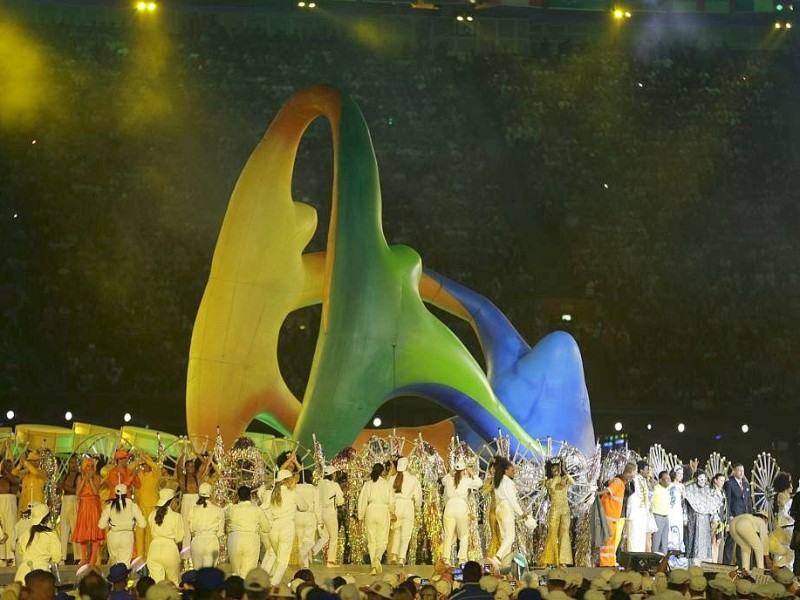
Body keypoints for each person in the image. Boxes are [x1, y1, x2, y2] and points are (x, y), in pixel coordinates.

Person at [266, 470, 307, 585]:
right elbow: (305, 506)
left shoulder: (273, 493)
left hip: (273, 528)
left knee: (277, 556)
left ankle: (270, 578)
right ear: (289, 480)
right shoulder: (292, 493)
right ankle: (273, 584)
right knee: (283, 561)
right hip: (287, 527)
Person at [441, 459, 482, 565]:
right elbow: (479, 483)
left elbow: (443, 480)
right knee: (463, 535)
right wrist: (471, 473)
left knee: (448, 534)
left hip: (449, 506)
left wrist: (450, 473)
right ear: (464, 470)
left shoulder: (449, 479)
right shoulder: (466, 480)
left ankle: (446, 559)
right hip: (461, 507)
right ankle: (462, 559)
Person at [358, 463, 395, 575]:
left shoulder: (368, 484)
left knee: (371, 540)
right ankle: (377, 558)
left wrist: (360, 515)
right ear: (382, 472)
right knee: (382, 539)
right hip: (382, 510)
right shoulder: (386, 484)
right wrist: (392, 512)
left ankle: (374, 567)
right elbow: (391, 500)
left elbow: (362, 500)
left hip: (370, 510)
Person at [226, 486, 271, 577]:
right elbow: (267, 528)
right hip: (251, 539)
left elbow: (225, 520)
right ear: (250, 496)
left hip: (234, 538)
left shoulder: (231, 509)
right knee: (248, 573)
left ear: (238, 496)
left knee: (236, 572)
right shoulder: (257, 510)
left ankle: (236, 590)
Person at [99, 483, 146, 566]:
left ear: (115, 494)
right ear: (126, 493)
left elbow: (101, 525)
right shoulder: (132, 506)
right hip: (127, 536)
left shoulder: (109, 506)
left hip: (113, 536)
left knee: (114, 564)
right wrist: (132, 523)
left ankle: (115, 577)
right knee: (125, 564)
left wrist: (111, 524)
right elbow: (142, 524)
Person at [599, 462, 636, 566]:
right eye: (634, 473)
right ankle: (605, 564)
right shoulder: (617, 482)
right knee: (607, 543)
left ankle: (610, 563)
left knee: (611, 543)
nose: (634, 476)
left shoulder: (622, 483)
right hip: (608, 517)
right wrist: (595, 494)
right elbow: (608, 491)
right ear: (630, 472)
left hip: (613, 518)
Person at [541, 458, 575, 566]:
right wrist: (557, 476)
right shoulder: (548, 481)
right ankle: (550, 560)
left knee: (564, 534)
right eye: (553, 469)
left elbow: (573, 482)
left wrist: (564, 471)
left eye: (557, 468)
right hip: (554, 511)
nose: (556, 470)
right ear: (550, 471)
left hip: (565, 510)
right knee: (552, 534)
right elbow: (551, 487)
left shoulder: (564, 479)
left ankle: (563, 561)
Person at [492, 456, 526, 565]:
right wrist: (521, 513)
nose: (514, 472)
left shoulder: (498, 481)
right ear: (506, 471)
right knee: (510, 537)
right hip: (506, 509)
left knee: (504, 538)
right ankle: (497, 558)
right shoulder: (508, 482)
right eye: (512, 470)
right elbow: (512, 500)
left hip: (499, 510)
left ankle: (504, 565)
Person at [683, 472, 722, 565]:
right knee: (693, 541)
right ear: (696, 479)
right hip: (693, 520)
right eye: (700, 479)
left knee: (705, 542)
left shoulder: (708, 490)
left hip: (705, 521)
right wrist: (684, 517)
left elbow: (713, 506)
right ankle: (693, 563)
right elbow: (684, 505)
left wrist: (714, 518)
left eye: (704, 479)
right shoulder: (689, 489)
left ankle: (705, 562)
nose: (702, 481)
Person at [389, 457, 422, 566]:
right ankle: (402, 558)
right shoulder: (413, 479)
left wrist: (391, 509)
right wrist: (418, 506)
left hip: (397, 505)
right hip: (408, 505)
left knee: (397, 531)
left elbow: (390, 495)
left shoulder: (393, 478)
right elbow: (418, 496)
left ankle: (393, 555)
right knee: (406, 534)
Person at [15, 504, 61, 582]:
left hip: (21, 575)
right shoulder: (51, 534)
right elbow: (57, 557)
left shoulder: (23, 535)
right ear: (47, 519)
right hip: (41, 576)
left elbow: (19, 557)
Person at [147, 488, 184, 584]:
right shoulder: (176, 516)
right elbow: (179, 537)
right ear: (171, 501)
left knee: (157, 585)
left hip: (154, 549)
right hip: (169, 549)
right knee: (173, 584)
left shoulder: (152, 515)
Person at [73, 456, 105, 565]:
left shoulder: (97, 477)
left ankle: (93, 558)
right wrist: (84, 480)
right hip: (84, 505)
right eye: (88, 466)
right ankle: (83, 557)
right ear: (83, 467)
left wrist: (90, 479)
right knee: (83, 531)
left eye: (92, 466)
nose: (90, 468)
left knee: (95, 532)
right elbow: (77, 493)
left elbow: (96, 491)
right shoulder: (80, 478)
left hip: (94, 505)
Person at [311, 465, 344, 567]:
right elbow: (340, 501)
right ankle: (330, 561)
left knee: (325, 536)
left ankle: (312, 551)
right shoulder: (334, 485)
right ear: (333, 475)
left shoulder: (320, 484)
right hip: (330, 512)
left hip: (320, 511)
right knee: (334, 537)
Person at [188, 482, 225, 568]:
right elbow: (220, 533)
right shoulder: (218, 510)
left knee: (198, 574)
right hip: (212, 541)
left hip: (197, 541)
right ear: (211, 494)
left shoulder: (193, 510)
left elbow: (191, 530)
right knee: (210, 574)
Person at [133, 452, 161, 560]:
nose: (145, 466)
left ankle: (151, 555)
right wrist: (138, 461)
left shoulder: (154, 475)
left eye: (146, 464)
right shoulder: (139, 474)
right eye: (144, 464)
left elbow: (157, 468)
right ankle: (140, 556)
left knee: (150, 531)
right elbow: (129, 471)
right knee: (139, 531)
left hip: (151, 505)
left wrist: (148, 459)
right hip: (140, 506)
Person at [723, 463, 753, 564]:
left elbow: (748, 501)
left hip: (744, 517)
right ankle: (726, 564)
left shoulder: (745, 484)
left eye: (743, 471)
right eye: (739, 470)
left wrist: (750, 515)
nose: (741, 473)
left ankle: (741, 565)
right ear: (734, 471)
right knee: (731, 541)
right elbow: (728, 500)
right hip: (734, 516)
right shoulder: (729, 483)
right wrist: (729, 515)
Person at [56, 455, 80, 565]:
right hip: (65, 500)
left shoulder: (79, 476)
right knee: (63, 528)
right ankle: (62, 556)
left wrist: (64, 486)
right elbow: (60, 490)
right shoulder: (65, 476)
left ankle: (78, 556)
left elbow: (76, 490)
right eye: (72, 463)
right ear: (68, 464)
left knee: (75, 528)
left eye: (75, 463)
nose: (73, 465)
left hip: (74, 500)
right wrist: (58, 487)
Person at [293, 470, 318, 571]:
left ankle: (305, 565)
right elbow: (317, 505)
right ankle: (303, 556)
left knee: (300, 541)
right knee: (309, 540)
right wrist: (319, 519)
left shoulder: (295, 488)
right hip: (310, 516)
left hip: (297, 516)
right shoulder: (314, 489)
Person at [625, 460, 651, 553]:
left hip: (642, 514)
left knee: (641, 539)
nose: (649, 472)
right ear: (640, 470)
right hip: (634, 513)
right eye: (647, 469)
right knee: (633, 538)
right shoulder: (633, 479)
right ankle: (632, 561)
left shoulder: (644, 481)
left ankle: (639, 560)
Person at [769, 472, 794, 568]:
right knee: (783, 549)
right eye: (790, 484)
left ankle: (785, 567)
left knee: (788, 549)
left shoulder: (788, 496)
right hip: (782, 526)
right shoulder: (781, 496)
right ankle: (779, 567)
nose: (792, 486)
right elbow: (786, 508)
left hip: (787, 525)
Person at [13, 452, 45, 517]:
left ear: (39, 462)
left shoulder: (42, 472)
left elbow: (35, 472)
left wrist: (25, 462)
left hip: (36, 504)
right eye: (31, 461)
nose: (33, 462)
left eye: (35, 461)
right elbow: (14, 474)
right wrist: (20, 464)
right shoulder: (26, 473)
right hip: (24, 504)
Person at [0, 458, 19, 566]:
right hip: (0, 503)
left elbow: (15, 482)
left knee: (11, 529)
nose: (6, 467)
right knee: (1, 530)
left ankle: (11, 556)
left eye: (8, 465)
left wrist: (5, 470)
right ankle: (2, 557)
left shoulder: (15, 478)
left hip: (10, 503)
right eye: (4, 465)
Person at [651, 470, 671, 555]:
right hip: (657, 517)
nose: (668, 480)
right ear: (660, 480)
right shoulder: (655, 488)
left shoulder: (667, 490)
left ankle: (663, 561)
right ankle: (653, 560)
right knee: (656, 541)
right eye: (666, 478)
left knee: (664, 541)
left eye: (669, 478)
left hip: (666, 517)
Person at [667, 466, 686, 555]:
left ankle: (678, 552)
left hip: (679, 512)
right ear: (674, 474)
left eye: (682, 474)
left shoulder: (682, 486)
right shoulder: (670, 485)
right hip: (671, 511)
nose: (680, 476)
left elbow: (684, 503)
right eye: (679, 473)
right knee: (671, 532)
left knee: (679, 532)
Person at [711, 473, 727, 563]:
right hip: (714, 519)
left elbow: (726, 507)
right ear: (715, 480)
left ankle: (716, 562)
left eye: (723, 481)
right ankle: (712, 562)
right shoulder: (712, 491)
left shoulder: (723, 492)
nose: (722, 482)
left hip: (722, 519)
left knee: (718, 542)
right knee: (713, 541)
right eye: (720, 480)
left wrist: (726, 521)